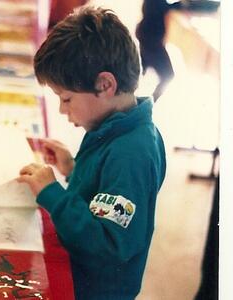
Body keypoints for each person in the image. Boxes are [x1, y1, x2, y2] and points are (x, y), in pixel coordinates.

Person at [17, 6, 166, 299]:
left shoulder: (131, 154)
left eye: (67, 98)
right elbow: (105, 195)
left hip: (94, 289)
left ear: (105, 84)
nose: (62, 110)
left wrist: (53, 194)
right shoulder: (117, 126)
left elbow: (108, 244)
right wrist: (73, 169)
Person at [135, 0, 181, 102]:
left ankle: (133, 100)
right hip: (151, 41)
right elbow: (160, 7)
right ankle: (149, 103)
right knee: (168, 75)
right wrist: (180, 5)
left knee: (141, 70)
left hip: (146, 36)